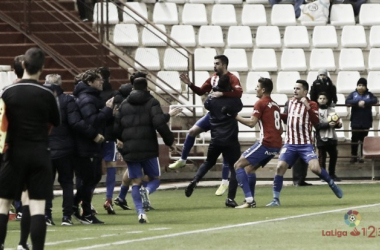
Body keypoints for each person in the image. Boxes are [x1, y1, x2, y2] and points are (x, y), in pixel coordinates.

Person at [0, 47, 60, 250]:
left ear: (23, 65)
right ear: (42, 69)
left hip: (14, 153)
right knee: (37, 207)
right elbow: (56, 121)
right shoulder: (47, 93)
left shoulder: (7, 92)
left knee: (3, 204)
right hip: (40, 154)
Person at [168, 55, 242, 193]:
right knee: (192, 132)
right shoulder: (213, 78)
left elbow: (238, 93)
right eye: (214, 63)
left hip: (226, 115)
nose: (215, 66)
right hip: (213, 114)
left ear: (224, 65)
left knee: (226, 153)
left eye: (217, 63)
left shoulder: (232, 78)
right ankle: (183, 159)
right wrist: (190, 84)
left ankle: (224, 181)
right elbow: (202, 91)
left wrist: (223, 94)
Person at [266, 80, 343, 207]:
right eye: (294, 88)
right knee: (279, 167)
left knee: (315, 168)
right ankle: (275, 199)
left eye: (298, 88)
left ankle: (331, 183)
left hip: (305, 144)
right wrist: (278, 115)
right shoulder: (289, 102)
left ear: (305, 92)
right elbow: (287, 117)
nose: (295, 90)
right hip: (290, 143)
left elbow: (316, 122)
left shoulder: (312, 104)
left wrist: (307, 106)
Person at [114, 77, 175, 223]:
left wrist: (119, 139)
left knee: (135, 181)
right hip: (148, 147)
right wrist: (170, 141)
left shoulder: (124, 104)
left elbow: (117, 126)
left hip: (130, 147)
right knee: (155, 178)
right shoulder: (152, 102)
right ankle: (146, 191)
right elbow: (159, 123)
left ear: (133, 87)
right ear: (146, 87)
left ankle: (140, 213)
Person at [184, 75, 242, 208]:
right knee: (235, 168)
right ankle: (230, 198)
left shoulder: (211, 101)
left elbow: (207, 104)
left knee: (209, 162)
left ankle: (195, 180)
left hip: (216, 138)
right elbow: (239, 104)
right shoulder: (234, 101)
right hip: (231, 139)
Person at [72, 69, 114, 224]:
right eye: (99, 80)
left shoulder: (91, 97)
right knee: (89, 177)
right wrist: (107, 110)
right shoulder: (87, 98)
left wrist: (110, 114)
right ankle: (85, 211)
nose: (102, 82)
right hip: (87, 145)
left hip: (91, 144)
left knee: (93, 176)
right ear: (90, 82)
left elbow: (99, 120)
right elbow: (92, 120)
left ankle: (76, 204)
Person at [233, 78, 283, 208]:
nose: (256, 89)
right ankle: (250, 201)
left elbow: (251, 123)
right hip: (276, 145)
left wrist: (235, 116)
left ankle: (249, 200)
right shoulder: (276, 105)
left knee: (238, 165)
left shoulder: (260, 103)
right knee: (250, 169)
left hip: (266, 143)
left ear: (263, 89)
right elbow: (281, 129)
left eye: (257, 86)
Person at [345, 78, 378, 163]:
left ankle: (361, 156)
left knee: (363, 139)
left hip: (366, 121)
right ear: (357, 86)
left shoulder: (369, 94)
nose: (361, 87)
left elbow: (375, 100)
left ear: (366, 86)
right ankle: (354, 155)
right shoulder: (353, 94)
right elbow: (347, 101)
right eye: (359, 85)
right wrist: (357, 103)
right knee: (354, 139)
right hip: (355, 121)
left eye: (363, 85)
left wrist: (365, 102)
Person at [283, 100, 312, 187]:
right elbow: (285, 118)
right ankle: (296, 180)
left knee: (304, 159)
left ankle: (302, 179)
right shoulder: (289, 103)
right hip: (294, 136)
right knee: (297, 159)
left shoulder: (308, 103)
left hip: (304, 135)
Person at [316, 92, 342, 182]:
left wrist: (338, 124)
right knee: (322, 157)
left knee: (333, 155)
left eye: (324, 98)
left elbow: (337, 123)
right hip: (321, 137)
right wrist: (328, 125)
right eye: (320, 98)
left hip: (331, 136)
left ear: (327, 100)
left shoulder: (332, 111)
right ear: (317, 100)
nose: (322, 100)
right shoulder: (316, 111)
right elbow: (316, 125)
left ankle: (332, 174)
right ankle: (323, 175)